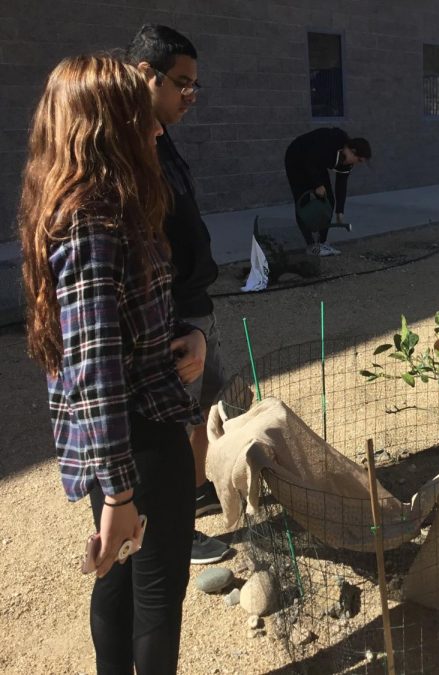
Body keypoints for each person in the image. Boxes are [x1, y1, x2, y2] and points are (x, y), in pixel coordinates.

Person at [19, 53, 202, 674]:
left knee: (121, 583)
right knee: (154, 596)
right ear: (104, 124)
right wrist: (121, 493)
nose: (155, 127)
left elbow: (129, 314)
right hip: (138, 439)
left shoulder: (93, 203)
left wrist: (188, 336)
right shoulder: (93, 216)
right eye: (139, 116)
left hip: (124, 437)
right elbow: (93, 365)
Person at [126, 24, 231, 565]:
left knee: (209, 404)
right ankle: (173, 529)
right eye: (182, 83)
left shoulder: (161, 137)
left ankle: (191, 498)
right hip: (172, 315)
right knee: (173, 421)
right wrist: (171, 323)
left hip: (196, 306)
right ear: (147, 75)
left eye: (195, 85)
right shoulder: (129, 148)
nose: (191, 95)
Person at [284, 127, 372, 256]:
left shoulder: (347, 162)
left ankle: (322, 243)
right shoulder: (330, 142)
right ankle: (311, 246)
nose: (358, 164)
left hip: (316, 163)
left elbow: (341, 184)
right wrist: (318, 184)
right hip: (297, 158)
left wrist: (340, 211)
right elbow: (309, 161)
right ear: (353, 151)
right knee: (303, 200)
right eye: (359, 160)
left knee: (328, 199)